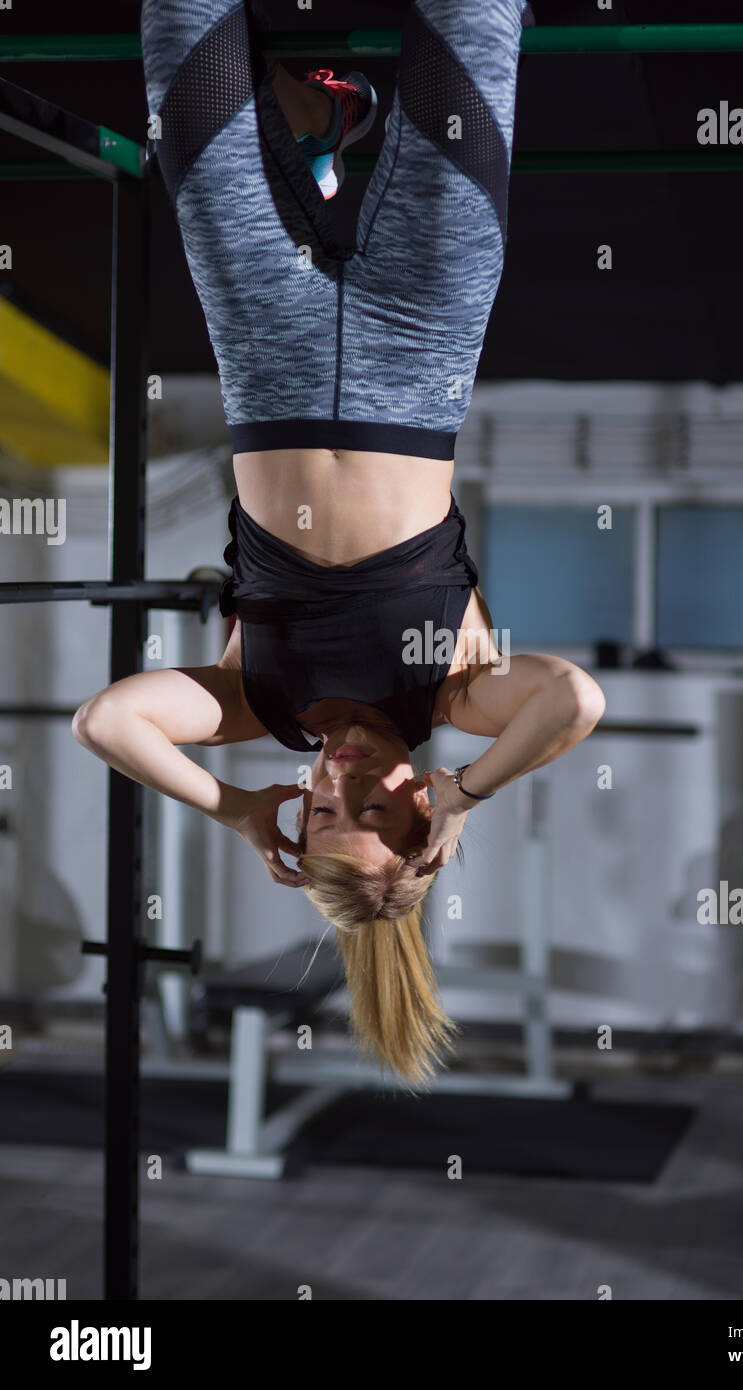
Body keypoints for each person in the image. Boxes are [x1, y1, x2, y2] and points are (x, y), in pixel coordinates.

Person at [73, 0, 605, 1084]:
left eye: (319, 806)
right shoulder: (449, 699)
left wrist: (231, 808)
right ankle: (317, 134)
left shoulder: (257, 706)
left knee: (179, 30)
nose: (338, 779)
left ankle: (312, 135)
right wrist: (474, 790)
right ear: (420, 811)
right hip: (422, 339)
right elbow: (574, 701)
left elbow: (108, 719)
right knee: (473, 19)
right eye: (371, 805)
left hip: (262, 350)